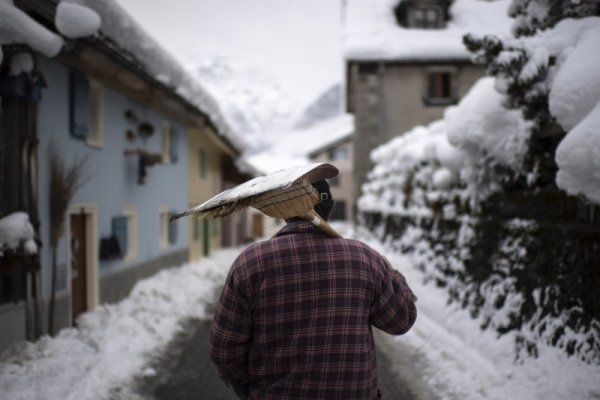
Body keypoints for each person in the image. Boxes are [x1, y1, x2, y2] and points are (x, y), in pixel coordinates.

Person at [209, 179, 417, 400]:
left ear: (285, 210)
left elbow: (224, 349)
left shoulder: (251, 262)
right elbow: (401, 321)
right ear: (330, 206)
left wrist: (248, 387)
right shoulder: (365, 259)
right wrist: (390, 272)